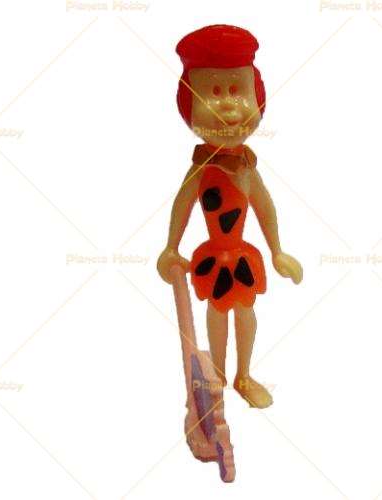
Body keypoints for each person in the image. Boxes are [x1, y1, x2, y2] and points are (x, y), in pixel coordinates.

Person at [157, 24, 303, 408]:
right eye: (215, 93)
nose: (227, 106)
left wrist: (277, 251)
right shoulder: (201, 169)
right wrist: (171, 247)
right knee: (217, 314)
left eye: (237, 90)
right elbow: (183, 204)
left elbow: (264, 207)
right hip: (214, 256)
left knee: (246, 314)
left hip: (240, 256)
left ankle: (244, 375)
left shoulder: (247, 169)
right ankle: (218, 375)